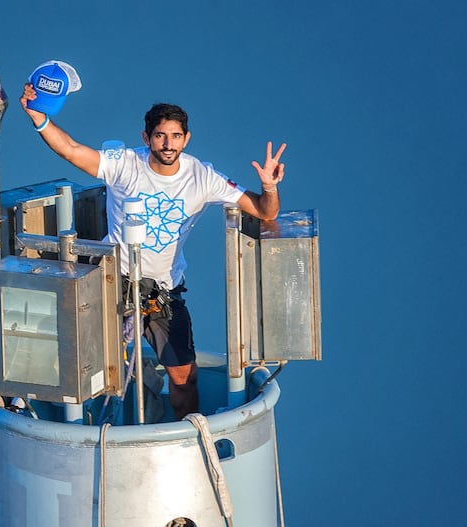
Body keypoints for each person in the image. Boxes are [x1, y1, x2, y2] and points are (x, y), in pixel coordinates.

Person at [20, 83, 286, 420]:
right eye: (160, 136)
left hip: (161, 291)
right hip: (111, 283)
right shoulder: (126, 164)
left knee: (183, 377)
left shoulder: (201, 176)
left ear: (186, 139)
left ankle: (187, 437)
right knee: (84, 369)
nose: (168, 144)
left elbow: (265, 211)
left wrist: (269, 187)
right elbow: (72, 150)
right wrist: (39, 117)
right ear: (146, 138)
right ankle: (87, 430)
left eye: (175, 136)